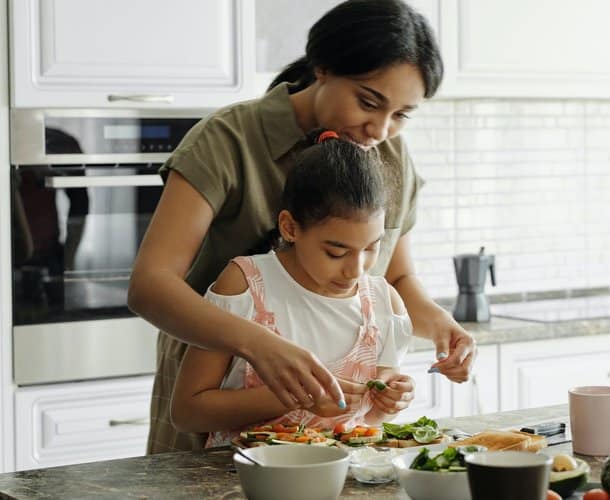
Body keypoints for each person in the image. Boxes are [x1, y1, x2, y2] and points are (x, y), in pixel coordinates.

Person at [128, 0, 476, 453]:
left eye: (402, 114)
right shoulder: (228, 140)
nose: (381, 128)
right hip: (216, 400)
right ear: (324, 68)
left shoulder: (391, 156)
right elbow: (150, 286)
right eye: (368, 102)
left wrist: (443, 326)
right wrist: (260, 345)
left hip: (329, 438)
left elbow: (396, 278)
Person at [171, 131, 415, 446]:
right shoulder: (245, 286)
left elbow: (369, 422)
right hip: (244, 480)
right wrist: (294, 397)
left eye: (372, 248)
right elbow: (187, 412)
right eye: (336, 252)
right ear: (289, 227)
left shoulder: (384, 304)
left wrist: (389, 402)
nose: (356, 269)